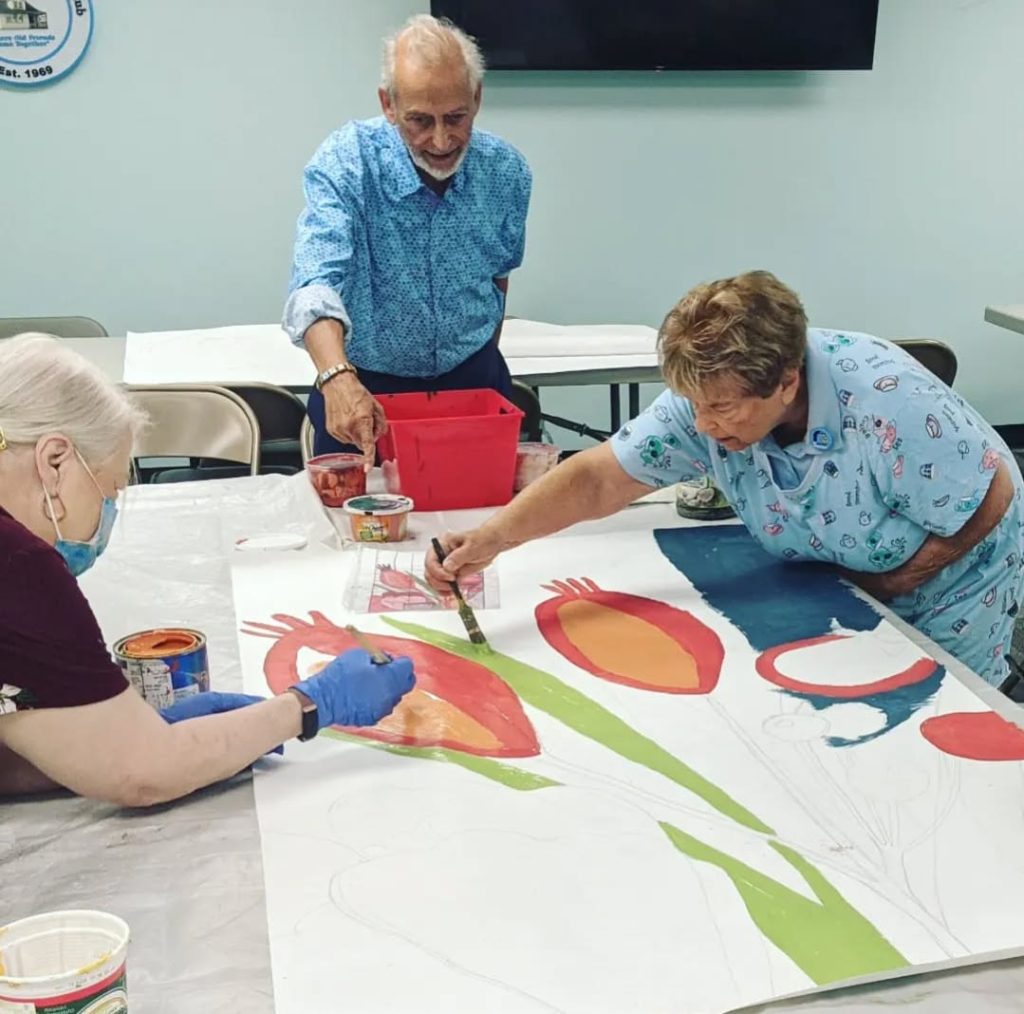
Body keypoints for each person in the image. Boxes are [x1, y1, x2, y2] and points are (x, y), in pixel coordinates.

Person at [427, 271, 1024, 689]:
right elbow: (598, 479)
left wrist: (902, 579)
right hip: (848, 577)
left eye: (724, 411)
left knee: (933, 721)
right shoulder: (710, 401)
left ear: (786, 381)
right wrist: (493, 538)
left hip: (951, 587)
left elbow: (995, 491)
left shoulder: (887, 404)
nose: (705, 428)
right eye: (695, 407)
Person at [0, 335, 416, 806]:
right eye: (109, 492)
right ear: (54, 462)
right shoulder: (19, 564)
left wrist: (92, 747)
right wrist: (307, 704)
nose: (107, 513)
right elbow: (142, 772)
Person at [283, 14, 532, 459]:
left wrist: (479, 368)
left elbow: (498, 278)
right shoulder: (347, 162)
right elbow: (315, 283)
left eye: (456, 117)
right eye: (420, 121)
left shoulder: (506, 172)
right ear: (388, 104)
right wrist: (336, 375)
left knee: (484, 525)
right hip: (362, 385)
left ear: (476, 98)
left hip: (471, 379)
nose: (440, 140)